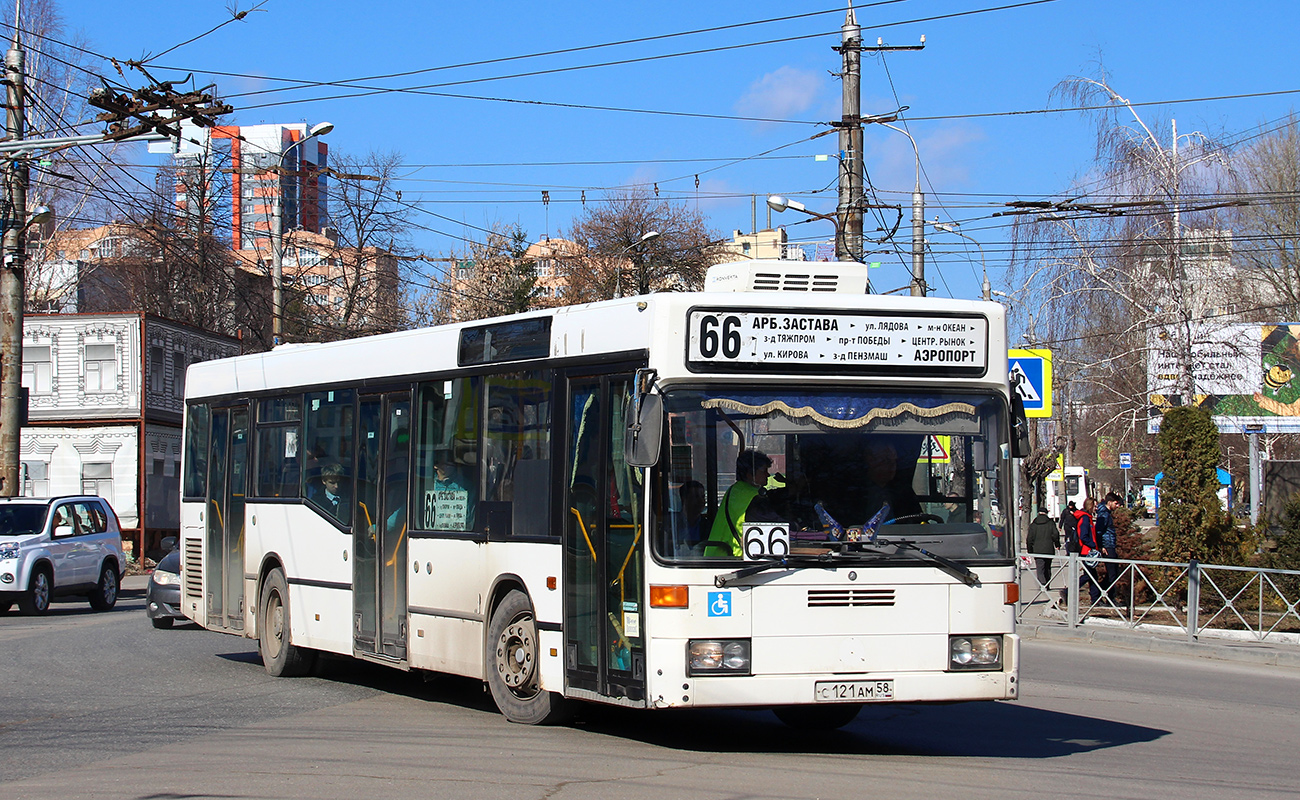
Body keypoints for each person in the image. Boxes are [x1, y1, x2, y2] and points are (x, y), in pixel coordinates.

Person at [705, 450, 773, 557]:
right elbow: (772, 521)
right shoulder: (754, 497)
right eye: (764, 471)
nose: (768, 475)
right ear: (750, 474)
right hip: (735, 557)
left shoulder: (734, 490)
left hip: (716, 555)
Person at [668, 480, 707, 554]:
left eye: (703, 497)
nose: (701, 501)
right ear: (684, 498)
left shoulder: (707, 525)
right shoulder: (671, 523)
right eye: (696, 496)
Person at [1026, 508, 1059, 589]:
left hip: (1037, 550)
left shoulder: (1033, 524)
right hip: (1048, 549)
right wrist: (1057, 544)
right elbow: (1055, 534)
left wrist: (1030, 550)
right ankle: (1047, 583)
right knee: (1047, 567)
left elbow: (1029, 538)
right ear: (1046, 513)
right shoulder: (1051, 523)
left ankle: (1042, 583)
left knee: (1040, 568)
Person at [1096, 491, 1122, 597]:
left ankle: (1101, 593)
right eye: (1116, 504)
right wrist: (1101, 546)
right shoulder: (1104, 514)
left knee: (1113, 571)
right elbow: (1099, 531)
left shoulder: (1106, 513)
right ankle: (1109, 596)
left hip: (1110, 544)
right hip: (1107, 546)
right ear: (1110, 502)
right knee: (1112, 573)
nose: (1118, 506)